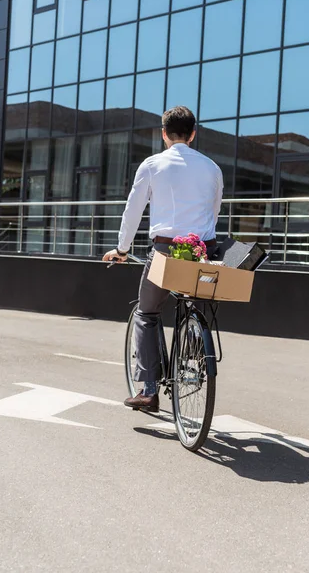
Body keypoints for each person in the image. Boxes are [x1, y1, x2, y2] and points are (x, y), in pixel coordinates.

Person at [102, 106, 223, 412]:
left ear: (164, 134)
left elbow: (133, 211)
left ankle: (149, 388)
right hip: (202, 251)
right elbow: (215, 210)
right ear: (193, 134)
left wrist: (123, 249)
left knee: (146, 313)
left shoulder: (152, 164)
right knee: (198, 301)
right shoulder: (212, 167)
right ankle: (194, 351)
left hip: (166, 251)